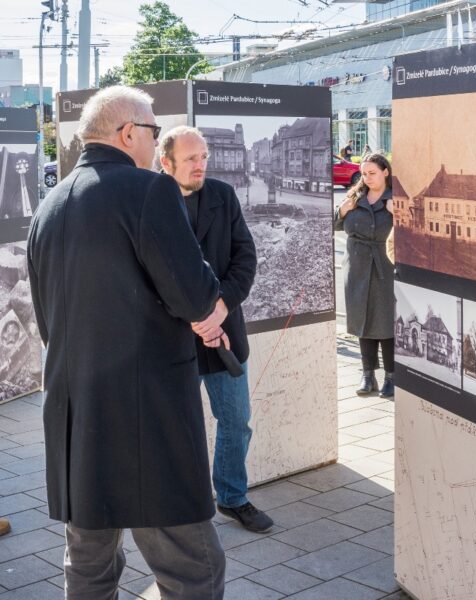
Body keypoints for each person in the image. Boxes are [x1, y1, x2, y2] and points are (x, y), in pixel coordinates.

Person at [27, 86, 226, 599]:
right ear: (128, 132)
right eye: (154, 131)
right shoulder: (148, 191)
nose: (155, 141)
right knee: (194, 569)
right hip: (147, 422)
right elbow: (195, 295)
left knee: (88, 570)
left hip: (74, 423)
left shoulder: (49, 205)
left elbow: (50, 323)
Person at [158, 126, 272, 533]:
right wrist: (194, 318)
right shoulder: (151, 202)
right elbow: (147, 274)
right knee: (177, 428)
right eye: (191, 158)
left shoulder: (223, 196)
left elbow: (245, 257)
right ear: (165, 161)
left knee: (237, 420)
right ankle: (180, 504)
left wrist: (220, 307)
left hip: (224, 333)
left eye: (203, 156)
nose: (201, 164)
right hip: (174, 340)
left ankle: (233, 497)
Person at [335, 154, 395, 398]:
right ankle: (367, 374)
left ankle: (391, 376)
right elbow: (334, 224)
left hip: (384, 265)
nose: (367, 178)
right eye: (364, 173)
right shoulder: (354, 197)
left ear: (385, 172)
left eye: (372, 173)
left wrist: (398, 214)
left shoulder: (395, 199)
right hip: (357, 266)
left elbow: (415, 228)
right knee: (362, 320)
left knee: (386, 320)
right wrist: (341, 211)